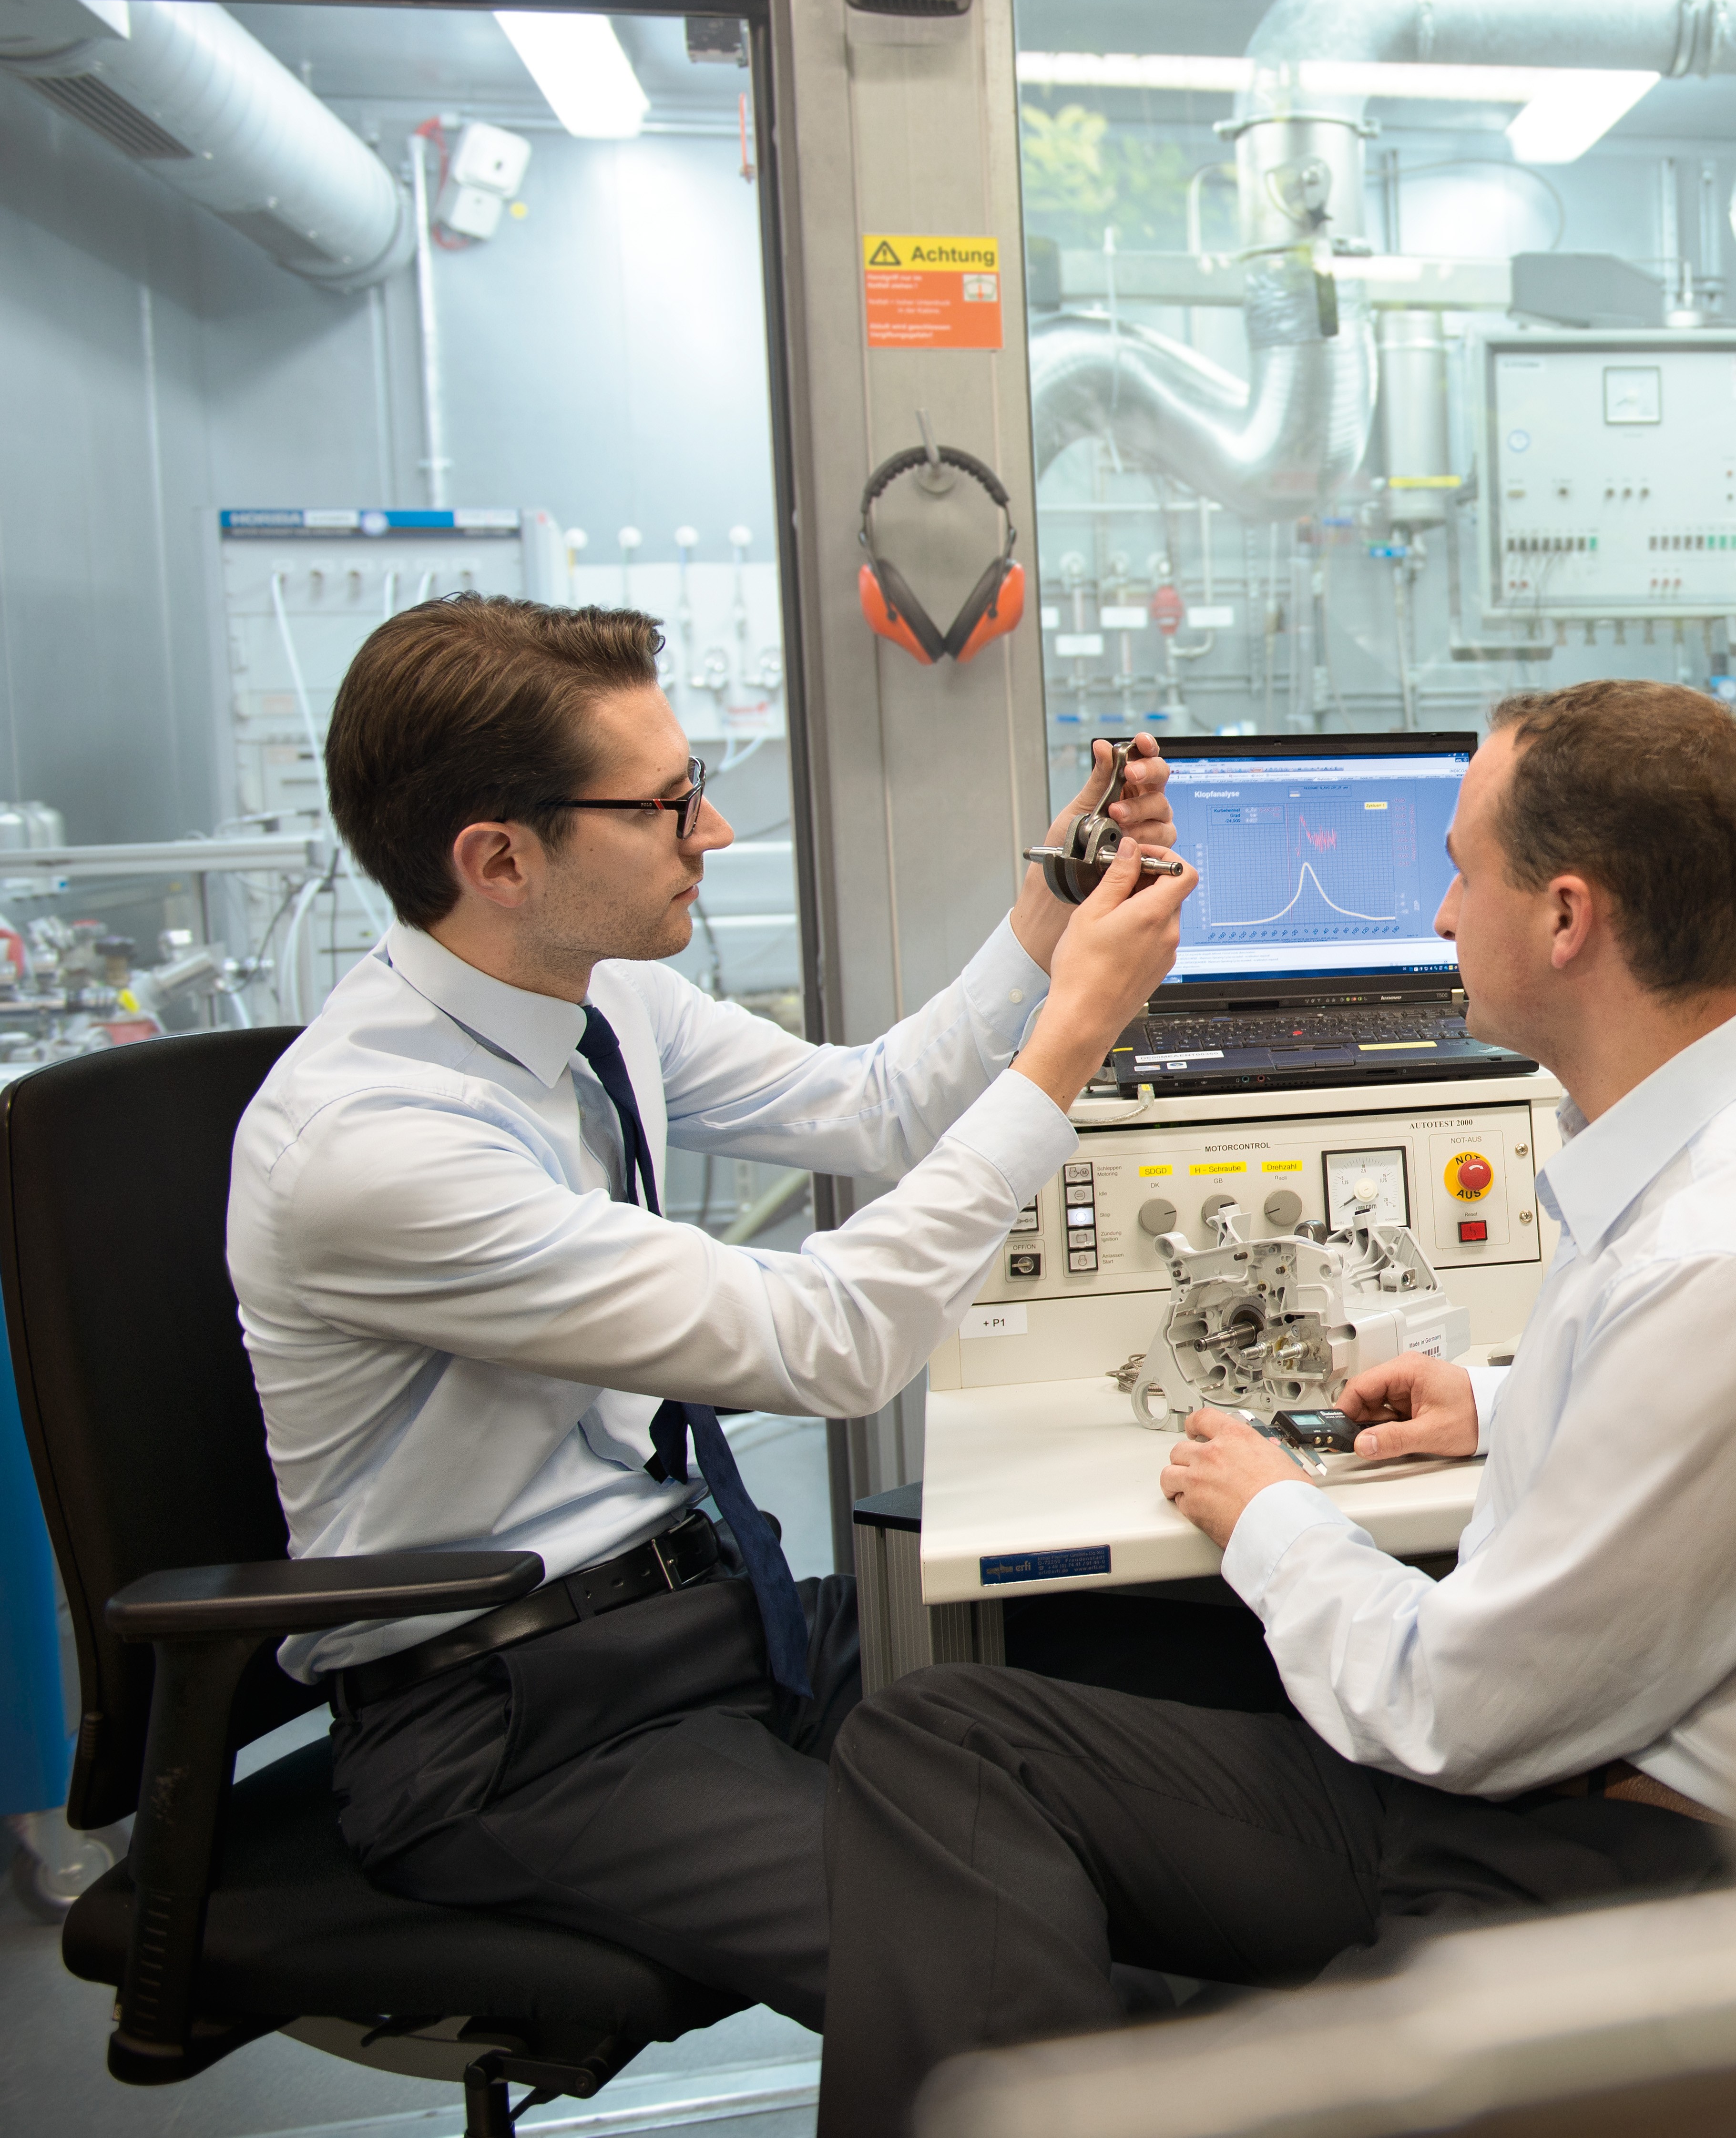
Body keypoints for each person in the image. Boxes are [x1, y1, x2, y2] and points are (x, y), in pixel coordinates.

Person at [814, 681, 1736, 2135]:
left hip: (1619, 1869)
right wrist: (1495, 1399)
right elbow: (1679, 1406)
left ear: (1565, 919)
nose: (1433, 919)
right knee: (938, 1745)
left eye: (1456, 873)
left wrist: (1276, 1521)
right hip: (1538, 1773)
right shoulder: (1694, 1147)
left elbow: (1458, 1706)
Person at [231, 594, 1196, 2029]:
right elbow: (828, 1346)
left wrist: (1049, 921)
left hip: (714, 1623)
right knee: (1010, 1970)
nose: (715, 837)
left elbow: (869, 1108)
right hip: (519, 1723)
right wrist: (1071, 1040)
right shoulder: (377, 1146)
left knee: (1175, 1687)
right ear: (499, 858)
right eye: (670, 806)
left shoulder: (595, 995)